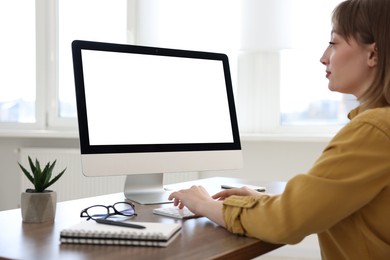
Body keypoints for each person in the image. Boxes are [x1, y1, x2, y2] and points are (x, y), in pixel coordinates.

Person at [168, 0, 390, 258]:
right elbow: (306, 209)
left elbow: (287, 221)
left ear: (373, 54)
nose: (323, 57)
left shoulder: (374, 130)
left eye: (333, 43)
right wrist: (259, 203)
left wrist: (205, 204)